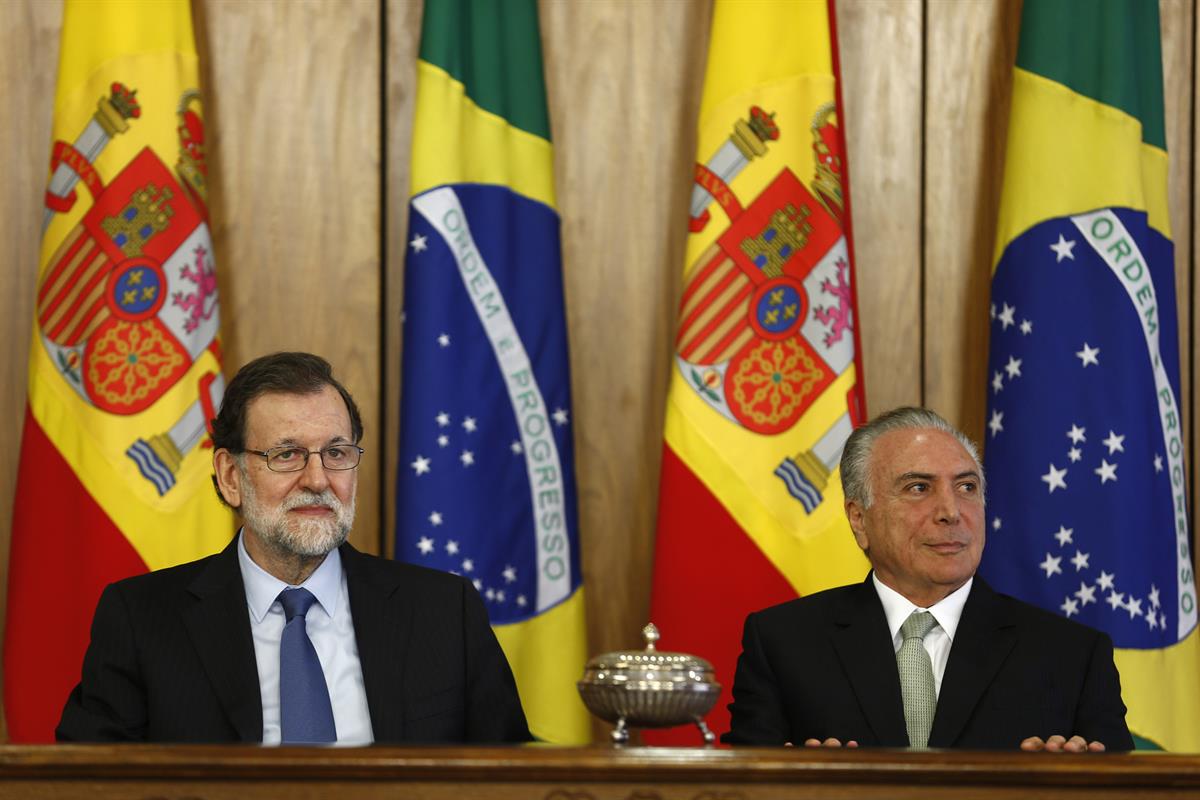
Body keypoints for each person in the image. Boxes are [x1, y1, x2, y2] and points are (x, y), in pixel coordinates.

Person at [57, 352, 531, 744]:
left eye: (337, 453)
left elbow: (513, 775)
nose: (318, 479)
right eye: (287, 455)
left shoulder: (443, 612)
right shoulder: (142, 618)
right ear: (229, 476)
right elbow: (89, 781)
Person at [723, 406, 1134, 752]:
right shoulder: (782, 643)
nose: (951, 511)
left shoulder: (1072, 655)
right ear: (859, 518)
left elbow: (1127, 795)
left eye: (967, 487)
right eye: (919, 487)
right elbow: (736, 791)